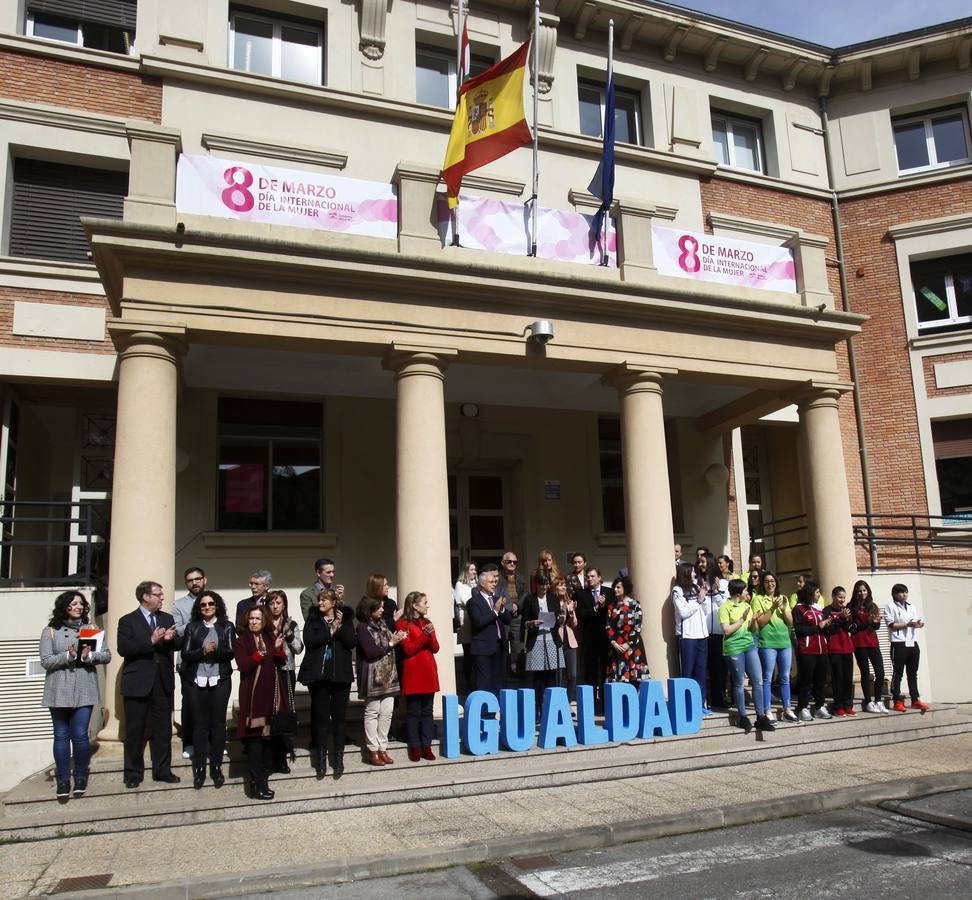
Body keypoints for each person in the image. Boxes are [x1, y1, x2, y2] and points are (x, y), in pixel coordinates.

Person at [40, 591, 111, 799]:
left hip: (84, 688)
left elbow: (106, 655)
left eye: (81, 603)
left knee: (80, 735)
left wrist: (89, 656)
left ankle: (80, 775)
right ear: (64, 606)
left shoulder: (91, 630)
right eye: (74, 603)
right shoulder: (50, 631)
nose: (79, 606)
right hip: (58, 689)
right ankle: (63, 780)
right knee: (61, 736)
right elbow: (46, 660)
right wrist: (68, 656)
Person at [117, 581, 182, 788]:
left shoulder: (166, 618)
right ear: (145, 597)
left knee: (163, 729)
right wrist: (151, 641)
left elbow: (176, 645)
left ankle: (162, 770)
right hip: (137, 683)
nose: (162, 598)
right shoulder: (127, 620)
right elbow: (124, 648)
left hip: (162, 682)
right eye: (158, 594)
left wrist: (170, 639)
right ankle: (133, 773)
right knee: (135, 730)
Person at [298, 588, 356, 778]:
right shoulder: (313, 620)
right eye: (319, 599)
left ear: (334, 602)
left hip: (340, 676)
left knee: (339, 719)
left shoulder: (345, 620)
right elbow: (310, 641)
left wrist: (338, 627)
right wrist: (330, 631)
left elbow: (351, 642)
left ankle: (338, 759)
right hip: (319, 676)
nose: (320, 603)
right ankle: (321, 760)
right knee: (321, 719)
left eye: (324, 600)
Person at [180, 589, 235, 789]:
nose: (207, 607)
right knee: (200, 726)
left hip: (220, 679)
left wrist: (217, 650)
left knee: (218, 725)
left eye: (211, 604)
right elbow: (185, 654)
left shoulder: (226, 626)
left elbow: (231, 653)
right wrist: (202, 651)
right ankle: (200, 768)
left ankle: (217, 767)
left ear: (217, 605)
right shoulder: (192, 627)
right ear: (198, 608)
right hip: (197, 680)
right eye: (203, 605)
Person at [234, 605, 288, 800]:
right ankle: (255, 784)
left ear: (263, 620)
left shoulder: (270, 637)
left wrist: (279, 649)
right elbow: (243, 665)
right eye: (251, 619)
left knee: (269, 743)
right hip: (253, 699)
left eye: (257, 618)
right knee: (255, 743)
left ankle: (264, 781)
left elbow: (280, 662)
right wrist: (258, 655)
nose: (254, 622)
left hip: (271, 697)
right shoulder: (242, 641)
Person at [719, 579, 774, 733]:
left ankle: (760, 716)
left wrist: (755, 620)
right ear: (738, 593)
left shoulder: (747, 606)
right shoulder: (725, 607)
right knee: (738, 683)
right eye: (745, 591)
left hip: (749, 646)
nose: (747, 593)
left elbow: (754, 630)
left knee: (757, 680)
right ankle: (743, 716)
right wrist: (742, 619)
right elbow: (727, 630)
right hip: (733, 648)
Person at [356, 595, 405, 765]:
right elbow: (371, 652)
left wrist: (397, 638)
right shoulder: (363, 627)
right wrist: (391, 643)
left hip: (389, 674)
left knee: (387, 713)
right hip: (372, 676)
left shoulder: (383, 624)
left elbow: (389, 641)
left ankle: (383, 747)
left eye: (383, 607)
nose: (383, 610)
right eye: (379, 607)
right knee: (372, 712)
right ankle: (373, 750)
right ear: (369, 609)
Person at [397, 591, 440, 761]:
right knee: (413, 712)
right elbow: (408, 649)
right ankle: (414, 746)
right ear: (414, 605)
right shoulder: (402, 624)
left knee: (427, 712)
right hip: (413, 673)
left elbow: (435, 648)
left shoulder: (427, 622)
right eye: (425, 602)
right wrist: (425, 635)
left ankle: (427, 745)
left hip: (428, 671)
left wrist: (430, 634)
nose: (427, 605)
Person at [751, 571, 796, 722]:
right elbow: (760, 622)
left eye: (773, 581)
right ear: (763, 585)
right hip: (768, 643)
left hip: (784, 642)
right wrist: (771, 608)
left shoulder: (783, 598)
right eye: (767, 581)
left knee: (784, 677)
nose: (770, 584)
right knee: (767, 677)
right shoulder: (758, 599)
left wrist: (783, 609)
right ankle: (767, 710)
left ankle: (787, 709)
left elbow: (790, 622)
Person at [266, 589, 303, 771]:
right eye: (272, 603)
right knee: (269, 714)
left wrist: (288, 634)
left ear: (284, 605)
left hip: (285, 671)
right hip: (268, 672)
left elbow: (298, 648)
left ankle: (281, 757)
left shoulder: (291, 624)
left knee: (283, 714)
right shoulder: (263, 623)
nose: (275, 606)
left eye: (278, 603)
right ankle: (270, 755)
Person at [172, 566, 206, 761]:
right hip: (188, 661)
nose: (195, 583)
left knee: (211, 704)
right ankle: (189, 742)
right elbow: (178, 632)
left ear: (204, 580)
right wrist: (199, 618)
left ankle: (211, 741)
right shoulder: (179, 605)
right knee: (190, 703)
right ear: (186, 584)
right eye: (191, 580)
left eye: (198, 579)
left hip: (212, 662)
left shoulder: (214, 600)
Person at [521, 574, 566, 708]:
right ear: (537, 585)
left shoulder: (553, 598)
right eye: (542, 585)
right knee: (538, 678)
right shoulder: (530, 599)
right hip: (536, 640)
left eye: (546, 584)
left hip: (552, 640)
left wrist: (561, 619)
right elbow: (525, 622)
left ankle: (551, 708)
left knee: (552, 676)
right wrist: (532, 623)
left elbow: (558, 621)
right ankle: (538, 707)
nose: (545, 587)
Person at [468, 564, 512, 697]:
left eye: (495, 582)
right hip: (483, 648)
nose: (494, 584)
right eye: (491, 582)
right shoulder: (473, 602)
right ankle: (485, 712)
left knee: (498, 681)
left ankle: (496, 710)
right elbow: (479, 622)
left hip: (499, 647)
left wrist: (502, 609)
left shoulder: (495, 599)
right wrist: (495, 611)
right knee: (484, 683)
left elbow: (508, 620)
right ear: (482, 584)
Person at [884, 583, 928, 712]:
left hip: (912, 642)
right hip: (898, 643)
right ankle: (897, 700)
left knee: (913, 673)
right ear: (895, 594)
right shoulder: (890, 607)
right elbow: (891, 624)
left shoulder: (911, 606)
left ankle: (915, 700)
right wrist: (907, 624)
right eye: (901, 592)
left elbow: (915, 621)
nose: (904, 595)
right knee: (898, 674)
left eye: (906, 592)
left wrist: (918, 624)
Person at [672, 562, 710, 713]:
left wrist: (703, 598)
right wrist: (699, 601)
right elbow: (683, 612)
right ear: (686, 573)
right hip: (687, 636)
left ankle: (701, 704)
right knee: (687, 672)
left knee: (701, 672)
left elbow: (704, 610)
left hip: (702, 635)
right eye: (693, 572)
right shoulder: (677, 590)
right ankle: (687, 706)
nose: (695, 574)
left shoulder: (696, 588)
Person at [792, 577, 831, 721]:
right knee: (806, 681)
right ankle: (803, 707)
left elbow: (823, 627)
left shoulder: (818, 608)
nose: (819, 594)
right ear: (809, 593)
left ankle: (819, 706)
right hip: (807, 650)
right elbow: (798, 629)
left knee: (820, 680)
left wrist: (828, 625)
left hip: (822, 649)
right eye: (817, 592)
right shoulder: (799, 608)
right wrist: (817, 627)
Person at [850, 580, 887, 713]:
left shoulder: (873, 606)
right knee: (865, 673)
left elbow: (875, 626)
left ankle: (878, 700)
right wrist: (866, 623)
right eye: (859, 590)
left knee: (880, 672)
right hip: (859, 643)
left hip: (872, 642)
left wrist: (876, 623)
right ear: (855, 592)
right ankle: (868, 701)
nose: (862, 593)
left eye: (864, 590)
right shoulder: (851, 606)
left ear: (868, 591)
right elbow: (852, 627)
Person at [576, 566, 610, 713]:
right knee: (590, 673)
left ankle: (604, 703)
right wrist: (596, 608)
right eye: (587, 577)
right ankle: (591, 706)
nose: (589, 579)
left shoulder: (609, 592)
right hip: (590, 638)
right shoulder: (581, 594)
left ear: (599, 578)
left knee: (605, 672)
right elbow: (581, 614)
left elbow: (613, 612)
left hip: (606, 639)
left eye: (592, 576)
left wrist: (605, 605)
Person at [605, 576, 649, 686]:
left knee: (634, 679)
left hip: (632, 646)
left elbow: (637, 626)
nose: (615, 589)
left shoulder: (635, 605)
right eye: (614, 587)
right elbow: (608, 626)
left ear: (626, 588)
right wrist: (614, 643)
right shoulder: (611, 607)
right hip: (616, 647)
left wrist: (628, 644)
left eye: (618, 587)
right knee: (618, 680)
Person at [821, 586, 856, 717]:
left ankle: (848, 705)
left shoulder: (846, 610)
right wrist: (840, 618)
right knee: (837, 678)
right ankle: (838, 705)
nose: (842, 600)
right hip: (834, 648)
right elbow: (829, 630)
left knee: (848, 678)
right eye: (840, 597)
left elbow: (850, 628)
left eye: (843, 597)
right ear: (834, 597)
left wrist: (846, 619)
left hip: (847, 648)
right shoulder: (827, 611)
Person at [495, 551, 527, 678]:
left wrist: (518, 606)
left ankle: (517, 675)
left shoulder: (521, 577)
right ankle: (503, 677)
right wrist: (509, 606)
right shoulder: (498, 578)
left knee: (517, 649)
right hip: (503, 617)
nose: (512, 564)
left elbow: (525, 594)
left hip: (517, 617)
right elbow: (498, 594)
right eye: (509, 562)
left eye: (515, 562)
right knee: (502, 648)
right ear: (503, 563)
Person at [707, 556, 732, 708]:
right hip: (704, 633)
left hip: (719, 632)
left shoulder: (723, 584)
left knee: (720, 668)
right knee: (710, 668)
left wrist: (716, 592)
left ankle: (720, 697)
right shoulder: (700, 585)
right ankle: (710, 698)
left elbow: (725, 606)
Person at [453, 561, 477, 693]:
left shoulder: (477, 584)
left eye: (475, 569)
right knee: (468, 654)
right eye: (471, 569)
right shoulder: (460, 584)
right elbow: (464, 600)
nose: (474, 572)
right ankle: (469, 684)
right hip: (466, 620)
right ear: (466, 571)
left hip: (476, 621)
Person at [299, 557, 336, 622]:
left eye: (333, 572)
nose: (332, 575)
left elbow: (343, 618)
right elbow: (309, 620)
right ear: (318, 573)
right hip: (319, 631)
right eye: (328, 572)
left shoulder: (335, 592)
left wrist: (339, 599)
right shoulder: (307, 594)